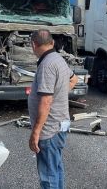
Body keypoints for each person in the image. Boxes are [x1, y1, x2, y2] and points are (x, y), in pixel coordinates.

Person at [28, 29, 78, 189]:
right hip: (60, 124)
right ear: (52, 43)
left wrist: (36, 133)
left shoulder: (47, 65)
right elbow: (74, 79)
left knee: (48, 176)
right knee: (55, 168)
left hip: (49, 129)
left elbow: (46, 101)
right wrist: (60, 94)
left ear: (33, 44)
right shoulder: (58, 59)